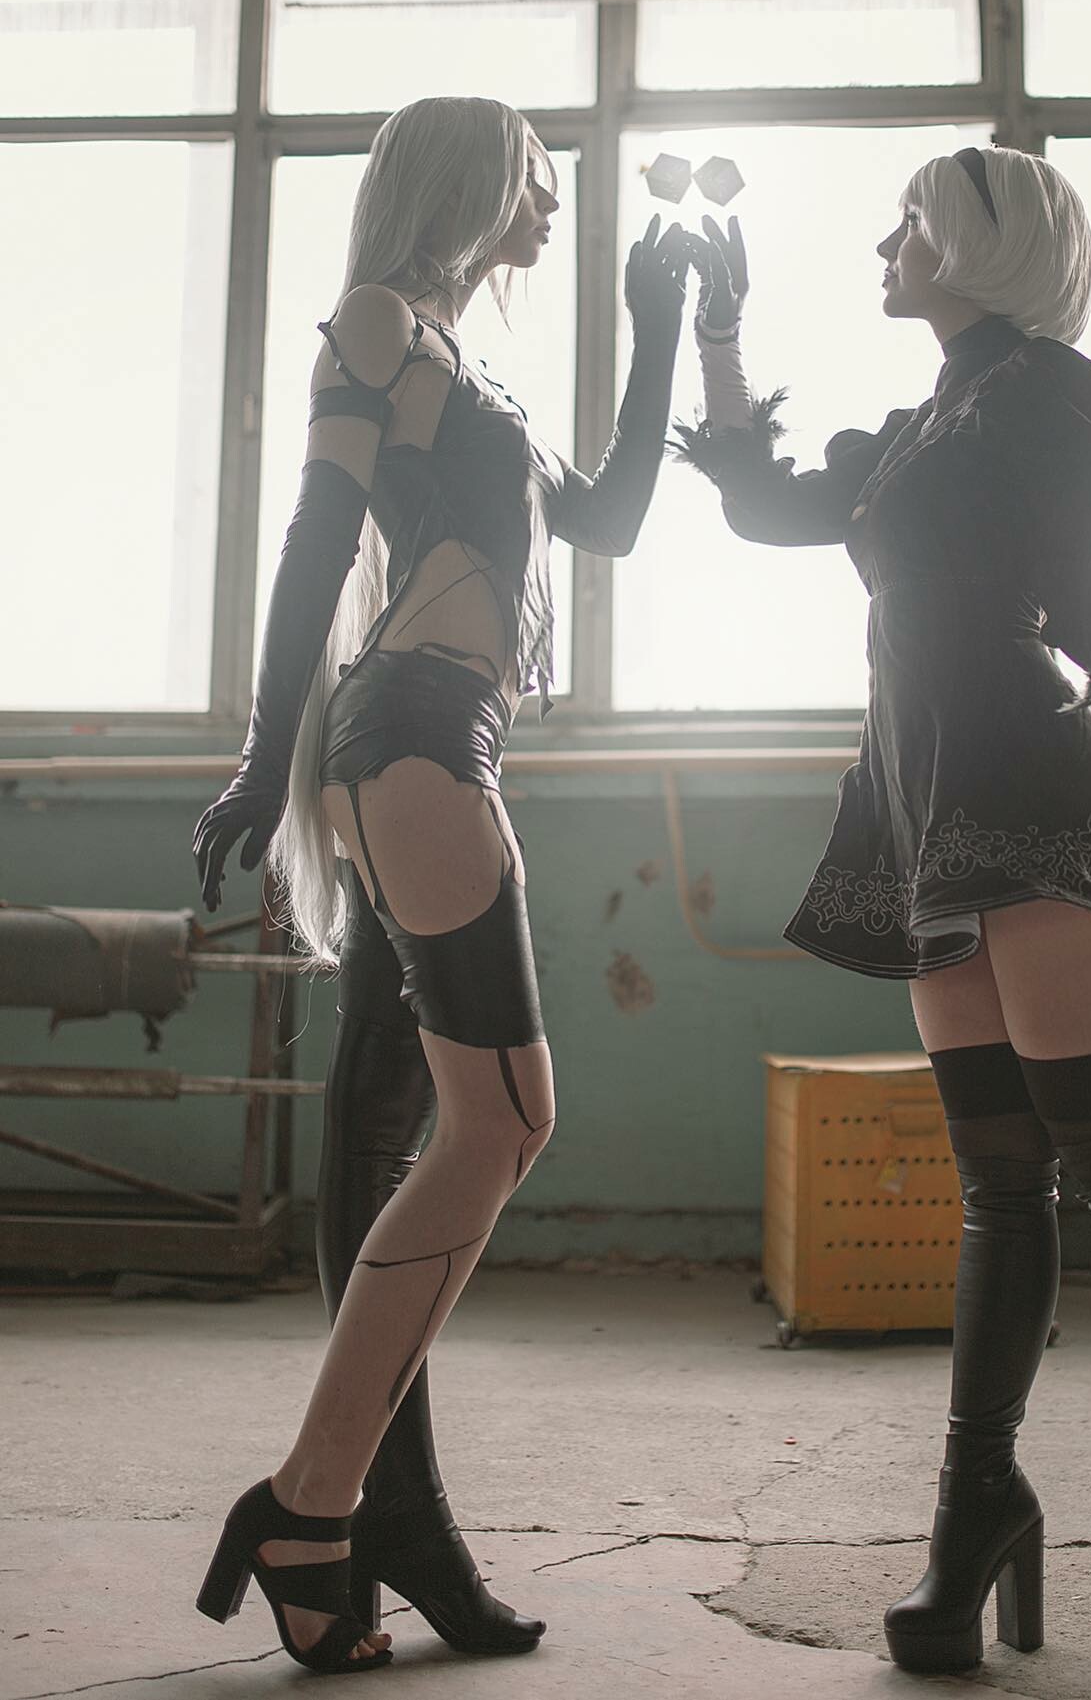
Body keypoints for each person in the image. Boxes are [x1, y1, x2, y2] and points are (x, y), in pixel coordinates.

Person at [673, 147, 1091, 1674]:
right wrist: (718, 332)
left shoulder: (1054, 394)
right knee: (1002, 1186)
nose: (883, 243)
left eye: (909, 221)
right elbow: (763, 502)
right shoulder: (922, 425)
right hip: (924, 812)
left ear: (977, 243)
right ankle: (976, 1515)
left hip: (1036, 805)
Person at [191, 94, 688, 1674]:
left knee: (447, 1123)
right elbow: (310, 538)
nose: (551, 205)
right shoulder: (379, 325)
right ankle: (314, 1499)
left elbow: (608, 518)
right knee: (506, 1121)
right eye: (537, 178)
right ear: (471, 183)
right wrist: (262, 758)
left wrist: (659, 326)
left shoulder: (476, 374)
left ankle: (351, 1513)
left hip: (440, 741)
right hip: (406, 733)